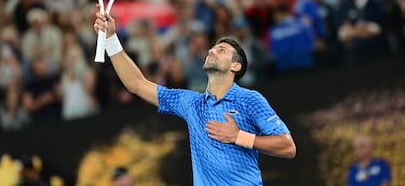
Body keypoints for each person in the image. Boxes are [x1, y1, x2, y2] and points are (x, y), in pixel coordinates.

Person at [93, 10, 296, 185]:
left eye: (221, 50)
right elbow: (137, 84)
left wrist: (238, 137)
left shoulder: (250, 99)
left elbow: (287, 147)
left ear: (236, 66)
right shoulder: (190, 102)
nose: (211, 50)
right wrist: (110, 38)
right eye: (213, 48)